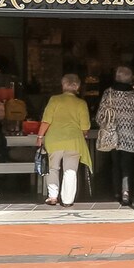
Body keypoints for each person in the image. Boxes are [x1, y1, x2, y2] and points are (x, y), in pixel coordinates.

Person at [93, 65, 134, 206]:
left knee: (115, 164)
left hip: (112, 135)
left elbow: (100, 116)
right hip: (130, 135)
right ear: (130, 78)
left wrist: (105, 126)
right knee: (127, 165)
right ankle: (126, 193)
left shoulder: (108, 93)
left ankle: (117, 192)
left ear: (116, 77)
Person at [39, 73, 92, 207]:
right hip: (74, 141)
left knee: (52, 168)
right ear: (78, 86)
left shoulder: (54, 100)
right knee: (70, 170)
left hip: (54, 139)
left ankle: (52, 196)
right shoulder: (81, 103)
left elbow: (46, 120)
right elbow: (85, 127)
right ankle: (67, 200)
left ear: (63, 85)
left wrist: (40, 136)